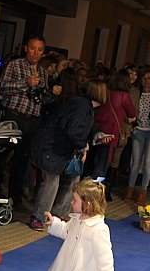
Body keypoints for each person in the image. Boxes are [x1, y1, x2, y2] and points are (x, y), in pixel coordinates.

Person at [29, 69, 107, 231]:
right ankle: (39, 216)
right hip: (51, 147)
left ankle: (58, 214)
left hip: (58, 147)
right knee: (52, 181)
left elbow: (83, 128)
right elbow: (73, 130)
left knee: (71, 178)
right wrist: (83, 146)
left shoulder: (84, 106)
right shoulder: (82, 107)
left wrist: (94, 137)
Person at [0, 35, 61, 208]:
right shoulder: (15, 65)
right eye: (33, 48)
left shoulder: (42, 71)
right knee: (2, 156)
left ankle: (15, 197)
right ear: (26, 48)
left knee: (22, 161)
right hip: (14, 116)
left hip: (33, 120)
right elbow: (3, 87)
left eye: (40, 50)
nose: (36, 53)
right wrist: (26, 82)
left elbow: (43, 100)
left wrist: (52, 93)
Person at [92, 70, 136, 193]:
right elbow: (132, 112)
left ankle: (91, 186)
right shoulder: (124, 96)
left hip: (97, 128)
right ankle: (95, 191)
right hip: (111, 132)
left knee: (94, 159)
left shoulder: (105, 90)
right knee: (104, 162)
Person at [125, 69, 150, 205]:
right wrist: (134, 124)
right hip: (139, 129)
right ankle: (130, 187)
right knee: (135, 162)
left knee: (148, 162)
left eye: (149, 78)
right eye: (144, 78)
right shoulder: (137, 93)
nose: (146, 80)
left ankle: (143, 191)